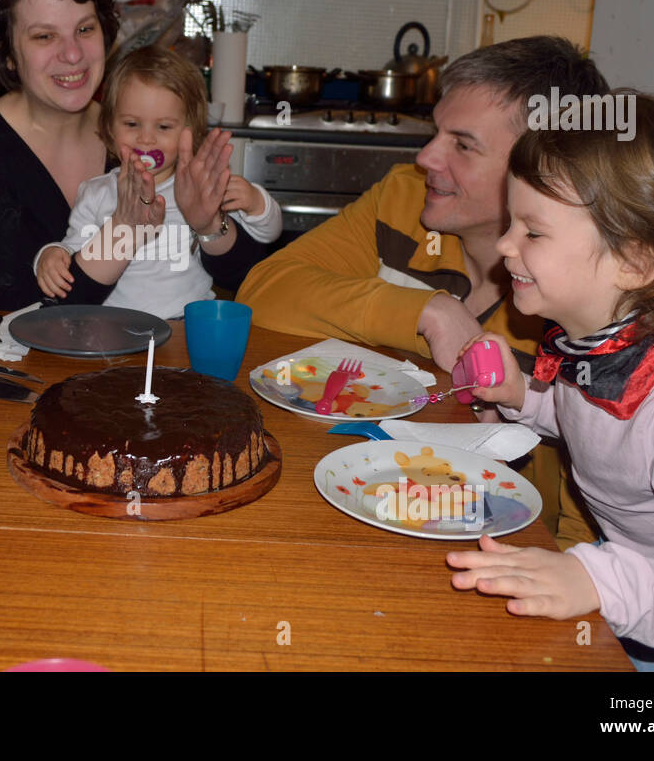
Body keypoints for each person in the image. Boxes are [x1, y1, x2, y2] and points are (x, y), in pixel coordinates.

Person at [447, 92, 654, 671]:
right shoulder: (602, 345)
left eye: (533, 231)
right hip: (643, 571)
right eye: (511, 223)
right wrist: (523, 399)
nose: (504, 246)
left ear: (637, 262)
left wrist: (595, 578)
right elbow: (596, 424)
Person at [236, 36, 610, 548]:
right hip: (367, 498)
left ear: (542, 172)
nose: (426, 156)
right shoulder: (404, 199)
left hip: (503, 551)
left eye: (463, 144)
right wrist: (425, 313)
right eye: (437, 132)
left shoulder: (579, 298)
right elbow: (262, 290)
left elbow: (584, 529)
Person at [0, 0, 270, 310]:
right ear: (6, 52)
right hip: (5, 363)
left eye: (85, 30)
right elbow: (21, 300)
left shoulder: (148, 132)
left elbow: (247, 278)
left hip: (147, 358)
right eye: (45, 36)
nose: (72, 54)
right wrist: (123, 232)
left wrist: (208, 225)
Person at [34, 46, 280, 319]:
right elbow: (73, 249)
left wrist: (257, 202)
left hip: (184, 326)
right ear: (108, 128)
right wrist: (51, 254)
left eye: (163, 127)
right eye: (131, 124)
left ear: (190, 131)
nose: (146, 139)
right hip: (111, 327)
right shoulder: (95, 192)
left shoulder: (201, 189)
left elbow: (269, 235)